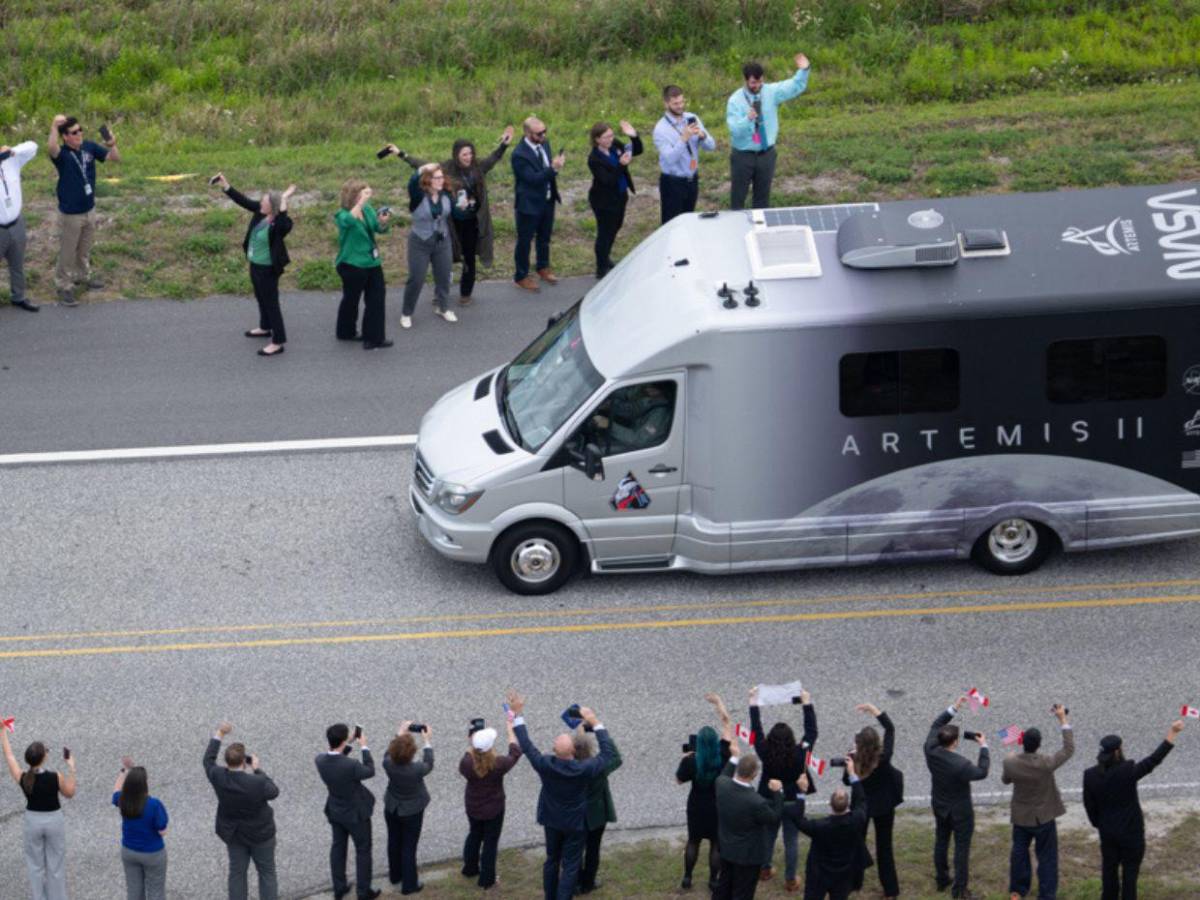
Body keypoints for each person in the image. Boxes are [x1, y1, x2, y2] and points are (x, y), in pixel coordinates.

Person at [505, 690, 615, 900]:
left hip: (552, 820)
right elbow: (608, 754)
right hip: (575, 823)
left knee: (552, 860)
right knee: (571, 865)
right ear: (573, 751)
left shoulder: (545, 764)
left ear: (555, 751)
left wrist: (517, 714)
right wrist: (595, 722)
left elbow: (526, 744)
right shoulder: (584, 769)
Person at [389, 126, 514, 305]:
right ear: (456, 155)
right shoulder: (446, 168)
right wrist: (401, 154)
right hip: (450, 223)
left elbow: (493, 158)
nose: (469, 157)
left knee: (469, 258)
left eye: (471, 153)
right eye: (464, 154)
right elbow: (421, 165)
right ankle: (440, 293)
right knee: (444, 259)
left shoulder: (478, 168)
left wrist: (504, 145)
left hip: (472, 222)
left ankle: (465, 293)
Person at [1083, 718, 1184, 900]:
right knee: (1130, 876)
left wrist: (1101, 824)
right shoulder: (1127, 770)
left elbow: (1089, 806)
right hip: (1132, 833)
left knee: (1109, 872)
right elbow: (1154, 760)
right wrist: (1173, 733)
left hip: (1108, 833)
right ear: (1117, 751)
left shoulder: (1090, 776)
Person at [212, 174, 295, 357]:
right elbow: (243, 200)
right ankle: (265, 327)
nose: (260, 203)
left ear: (272, 207)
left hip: (268, 269)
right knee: (260, 297)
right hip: (255, 265)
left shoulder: (279, 224)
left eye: (264, 201)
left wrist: (284, 200)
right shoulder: (260, 212)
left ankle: (278, 342)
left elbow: (284, 222)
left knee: (271, 303)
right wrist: (226, 185)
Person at [1002, 703, 1074, 900]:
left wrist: (1011, 758)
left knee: (1019, 854)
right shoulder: (1046, 763)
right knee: (1047, 858)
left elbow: (1006, 780)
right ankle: (1047, 895)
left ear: (1022, 742)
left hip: (1021, 817)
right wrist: (1063, 719)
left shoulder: (1010, 762)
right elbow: (1068, 749)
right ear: (1039, 744)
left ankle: (1018, 891)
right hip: (1044, 817)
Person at [47, 114, 120, 306]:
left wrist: (112, 144)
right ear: (65, 137)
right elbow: (51, 148)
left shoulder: (89, 147)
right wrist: (54, 127)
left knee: (84, 249)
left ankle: (82, 276)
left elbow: (115, 158)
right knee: (68, 252)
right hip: (71, 213)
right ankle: (63, 285)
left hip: (89, 208)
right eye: (74, 132)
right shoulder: (62, 155)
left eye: (80, 130)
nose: (79, 134)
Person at [749, 686, 818, 889]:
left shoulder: (764, 751)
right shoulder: (800, 753)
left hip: (771, 800)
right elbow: (812, 732)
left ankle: (764, 869)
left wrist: (753, 703)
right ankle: (790, 879)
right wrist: (807, 704)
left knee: (768, 836)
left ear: (770, 739)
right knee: (791, 840)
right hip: (793, 801)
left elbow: (756, 731)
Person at [203, 722, 280, 900]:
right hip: (261, 834)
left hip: (234, 834)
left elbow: (208, 760)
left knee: (237, 873)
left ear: (226, 762)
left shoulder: (218, 776)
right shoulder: (257, 782)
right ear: (244, 762)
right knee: (267, 873)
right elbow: (274, 791)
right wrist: (258, 769)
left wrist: (220, 733)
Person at [924, 696, 990, 900]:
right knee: (961, 850)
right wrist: (983, 746)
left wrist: (954, 707)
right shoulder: (960, 764)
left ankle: (942, 879)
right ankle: (960, 891)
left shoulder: (929, 748)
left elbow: (936, 724)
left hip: (940, 804)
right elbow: (982, 772)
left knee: (941, 841)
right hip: (960, 812)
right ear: (954, 742)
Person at [725, 55, 809, 210]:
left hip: (766, 154)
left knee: (762, 199)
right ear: (745, 81)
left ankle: (759, 224)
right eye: (753, 82)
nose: (757, 85)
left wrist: (804, 70)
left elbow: (793, 86)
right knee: (738, 197)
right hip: (743, 156)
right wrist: (748, 119)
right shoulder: (735, 100)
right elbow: (734, 130)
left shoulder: (770, 91)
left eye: (760, 81)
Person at [2, 726, 76, 900]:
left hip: (32, 821)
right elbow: (70, 793)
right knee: (55, 863)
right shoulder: (55, 776)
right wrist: (72, 768)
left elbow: (9, 756)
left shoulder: (23, 777)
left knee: (35, 865)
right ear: (44, 758)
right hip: (54, 820)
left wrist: (2, 731)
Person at [841, 703, 903, 899]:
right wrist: (875, 710)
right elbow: (890, 728)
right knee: (885, 847)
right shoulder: (884, 757)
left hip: (862, 806)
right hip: (884, 805)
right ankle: (890, 890)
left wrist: (849, 766)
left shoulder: (854, 759)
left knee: (857, 843)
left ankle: (855, 882)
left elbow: (847, 781)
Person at [315, 723, 381, 900]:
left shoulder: (320, 760)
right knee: (363, 850)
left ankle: (339, 887)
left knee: (338, 847)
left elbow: (336, 759)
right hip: (355, 814)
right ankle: (363, 891)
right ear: (343, 741)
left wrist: (347, 743)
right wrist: (364, 747)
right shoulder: (351, 765)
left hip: (335, 810)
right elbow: (369, 771)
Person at [676, 692, 734, 891]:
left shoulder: (692, 761)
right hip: (717, 805)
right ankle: (713, 880)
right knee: (716, 843)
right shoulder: (723, 755)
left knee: (693, 841)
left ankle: (687, 877)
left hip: (696, 805)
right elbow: (727, 723)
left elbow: (678, 780)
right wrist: (719, 702)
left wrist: (684, 759)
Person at [784, 765, 868, 900]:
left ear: (830, 804)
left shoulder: (819, 826)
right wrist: (852, 774)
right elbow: (861, 800)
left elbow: (798, 819)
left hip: (819, 874)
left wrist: (801, 792)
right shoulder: (857, 820)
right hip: (844, 874)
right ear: (848, 805)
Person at [714, 742, 783, 900]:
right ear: (754, 775)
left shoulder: (721, 784)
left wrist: (734, 757)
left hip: (727, 848)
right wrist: (778, 792)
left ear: (738, 769)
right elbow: (774, 817)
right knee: (743, 893)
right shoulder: (756, 802)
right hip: (747, 857)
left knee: (723, 887)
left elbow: (725, 774)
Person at [459, 718, 522, 889]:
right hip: (494, 809)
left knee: (474, 835)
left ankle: (470, 868)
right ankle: (487, 880)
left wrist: (472, 744)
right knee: (490, 843)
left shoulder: (466, 762)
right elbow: (515, 753)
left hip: (473, 806)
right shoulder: (498, 763)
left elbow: (469, 757)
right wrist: (510, 731)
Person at [334, 180, 393, 350]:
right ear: (354, 195)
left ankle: (374, 338)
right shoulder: (342, 214)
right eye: (364, 193)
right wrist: (360, 203)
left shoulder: (367, 209)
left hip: (371, 262)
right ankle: (345, 332)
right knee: (351, 299)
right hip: (351, 263)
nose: (368, 196)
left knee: (376, 298)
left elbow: (377, 228)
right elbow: (348, 222)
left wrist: (382, 222)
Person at [398, 163, 458, 330]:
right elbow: (412, 183)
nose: (441, 180)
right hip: (420, 242)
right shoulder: (418, 195)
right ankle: (406, 313)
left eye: (441, 177)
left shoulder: (446, 194)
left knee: (444, 276)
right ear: (428, 180)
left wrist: (464, 207)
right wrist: (420, 169)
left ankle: (442, 307)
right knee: (416, 279)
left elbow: (456, 213)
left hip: (442, 241)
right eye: (436, 178)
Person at [511, 116, 564, 292]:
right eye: (539, 133)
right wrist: (553, 168)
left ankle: (542, 266)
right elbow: (533, 179)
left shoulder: (544, 144)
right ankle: (521, 276)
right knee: (525, 241)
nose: (543, 135)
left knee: (544, 237)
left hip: (547, 200)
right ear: (527, 133)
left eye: (544, 131)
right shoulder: (519, 155)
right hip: (529, 204)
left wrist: (553, 168)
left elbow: (546, 171)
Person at [586, 120, 643, 279]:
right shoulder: (594, 159)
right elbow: (608, 181)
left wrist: (633, 136)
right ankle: (601, 266)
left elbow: (637, 151)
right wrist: (621, 164)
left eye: (611, 135)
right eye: (606, 137)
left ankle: (605, 257)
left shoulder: (614, 145)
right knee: (604, 233)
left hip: (620, 195)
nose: (610, 139)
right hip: (603, 201)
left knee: (615, 228)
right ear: (597, 139)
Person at [652, 85, 716, 224]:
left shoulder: (692, 118)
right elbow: (670, 158)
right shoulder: (660, 129)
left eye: (682, 102)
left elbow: (711, 147)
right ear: (666, 104)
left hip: (692, 180)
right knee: (671, 225)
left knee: (688, 221)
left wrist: (703, 136)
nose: (680, 106)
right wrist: (683, 138)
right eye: (676, 103)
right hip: (672, 183)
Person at [383, 722, 434, 895]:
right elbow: (429, 763)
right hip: (412, 811)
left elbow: (388, 752)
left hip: (392, 807)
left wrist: (399, 734)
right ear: (412, 753)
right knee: (409, 846)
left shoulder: (387, 763)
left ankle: (395, 875)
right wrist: (427, 741)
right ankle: (409, 884)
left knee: (393, 841)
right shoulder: (417, 769)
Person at [574, 722, 623, 894]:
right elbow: (616, 758)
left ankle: (575, 882)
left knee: (574, 850)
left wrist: (579, 736)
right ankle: (588, 883)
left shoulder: (567, 767)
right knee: (593, 849)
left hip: (574, 815)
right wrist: (601, 732)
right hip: (597, 815)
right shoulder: (598, 767)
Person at [113, 761, 169, 900]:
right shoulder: (154, 805)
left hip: (129, 852)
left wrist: (123, 772)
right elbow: (162, 830)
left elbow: (116, 790)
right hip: (153, 854)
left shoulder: (123, 800)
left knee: (134, 892)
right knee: (156, 892)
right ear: (145, 784)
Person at [0, 138, 40, 311]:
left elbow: (33, 147)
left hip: (17, 223)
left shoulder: (12, 161)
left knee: (17, 265)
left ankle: (18, 297)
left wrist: (13, 150)